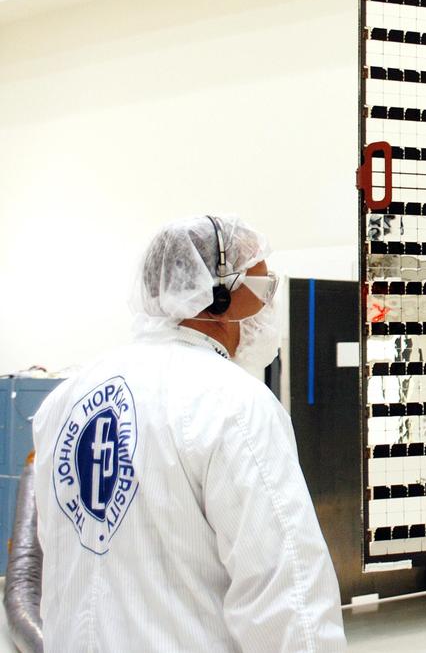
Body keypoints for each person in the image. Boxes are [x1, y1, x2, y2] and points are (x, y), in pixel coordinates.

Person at [32, 215, 346, 651]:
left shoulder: (63, 402)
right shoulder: (234, 404)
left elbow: (61, 551)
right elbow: (286, 587)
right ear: (216, 298)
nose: (268, 308)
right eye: (262, 291)